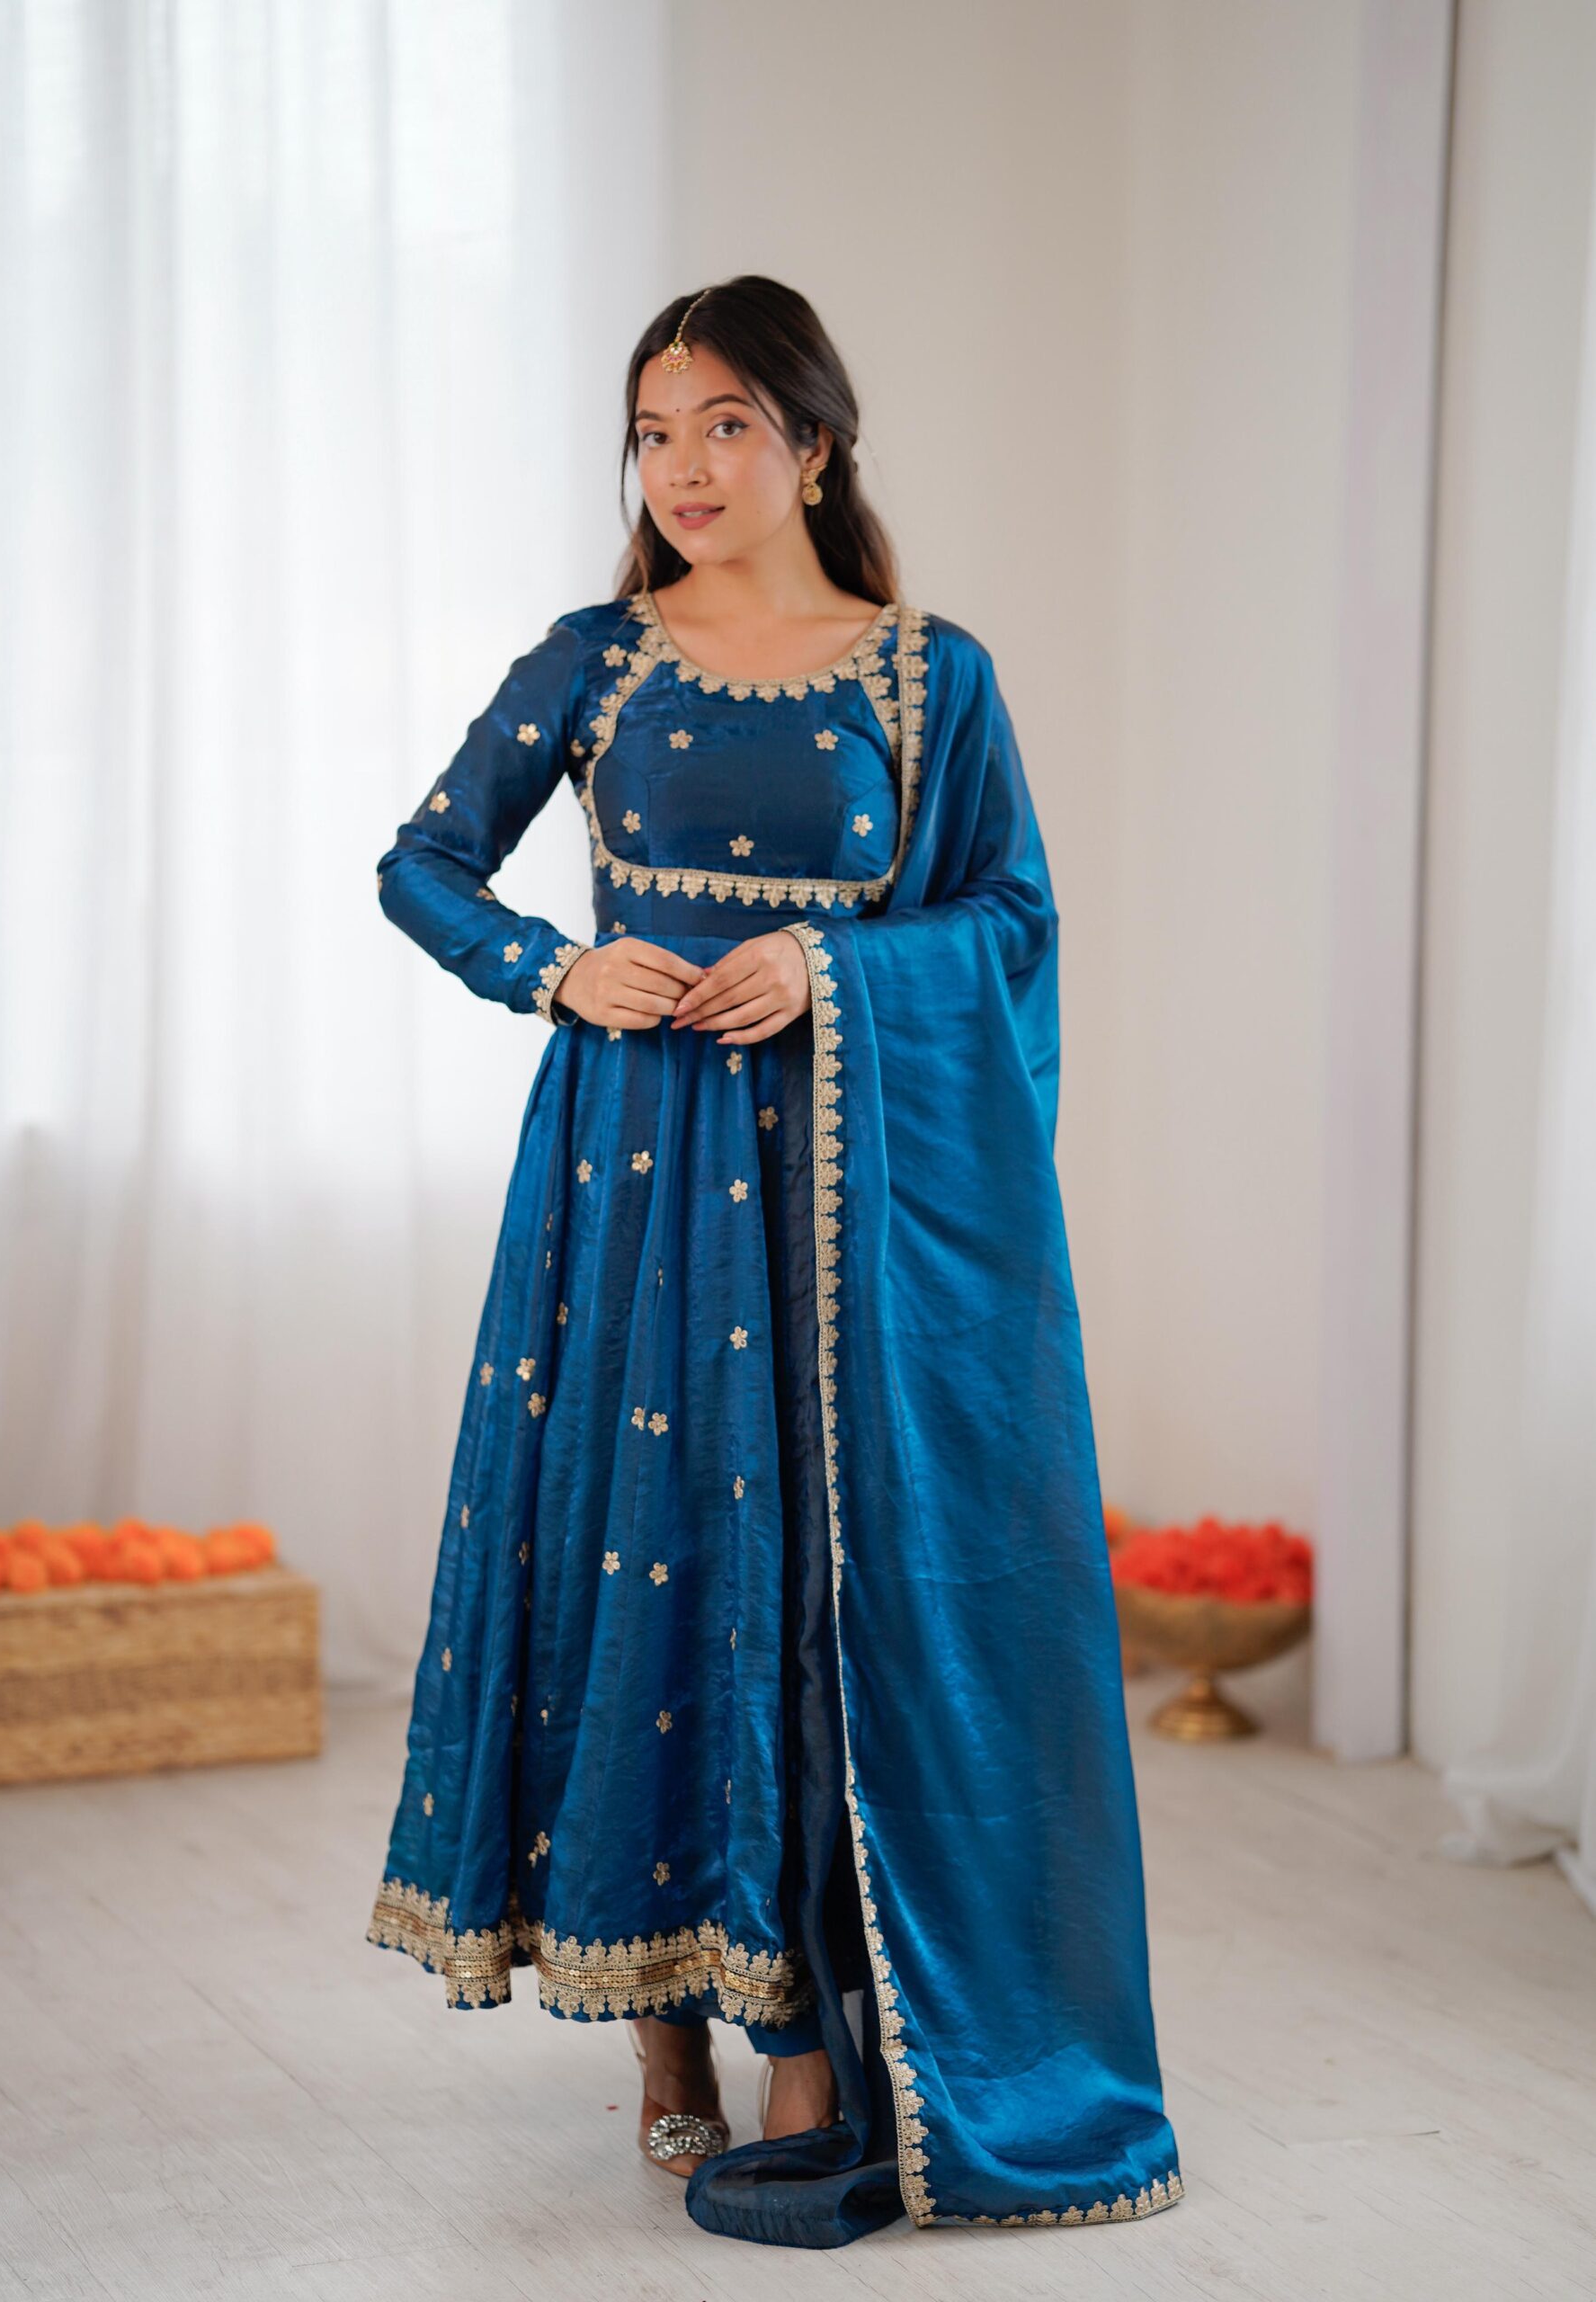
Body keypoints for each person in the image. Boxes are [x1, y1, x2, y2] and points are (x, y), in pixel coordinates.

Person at [365, 275, 1184, 2249]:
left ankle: (807, 2032)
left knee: (821, 1594)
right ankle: (662, 2025)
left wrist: (830, 963)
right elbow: (421, 863)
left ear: (814, 445)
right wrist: (551, 967)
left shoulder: (926, 679)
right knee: (644, 1558)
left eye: (727, 423)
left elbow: (1010, 922)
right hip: (633, 1184)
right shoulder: (595, 662)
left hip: (842, 1198)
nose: (685, 466)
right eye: (655, 432)